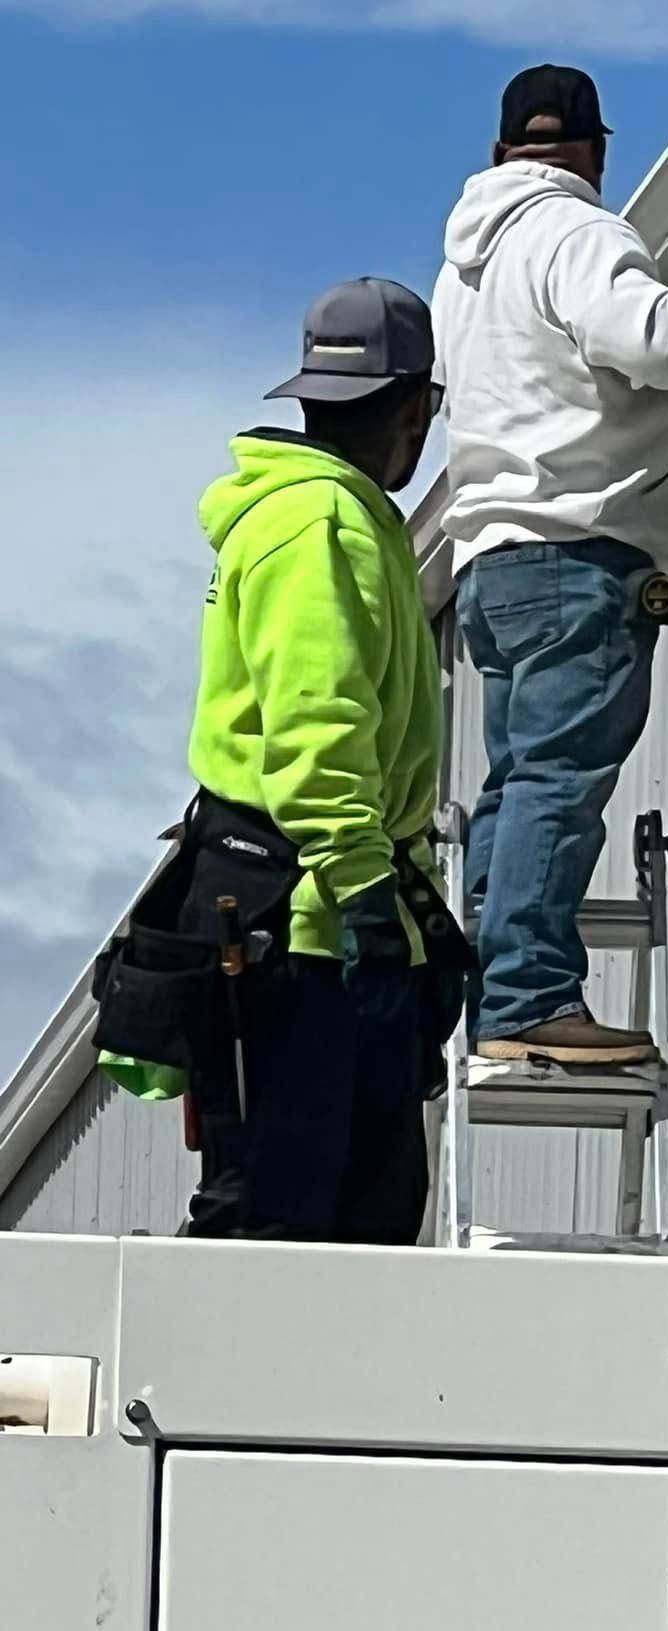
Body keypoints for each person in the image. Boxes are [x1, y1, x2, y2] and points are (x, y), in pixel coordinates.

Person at [97, 278, 465, 1243]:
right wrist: (368, 900)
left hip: (285, 910)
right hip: (305, 933)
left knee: (321, 1218)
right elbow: (318, 728)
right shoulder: (323, 525)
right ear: (416, 406)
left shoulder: (299, 514)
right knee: (301, 1225)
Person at [432, 64, 668, 1065]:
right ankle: (531, 995)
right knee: (557, 784)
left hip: (493, 560)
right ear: (593, 151)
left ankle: (490, 983)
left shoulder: (464, 268)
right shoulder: (578, 229)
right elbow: (651, 336)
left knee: (517, 782)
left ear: (501, 151)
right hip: (580, 551)